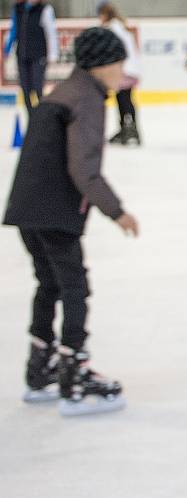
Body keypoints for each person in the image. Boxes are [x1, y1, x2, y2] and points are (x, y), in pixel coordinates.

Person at [3, 27, 139, 417]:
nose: (123, 72)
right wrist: (117, 211)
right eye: (119, 63)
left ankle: (39, 368)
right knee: (74, 287)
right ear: (101, 64)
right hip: (54, 211)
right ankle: (73, 374)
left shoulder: (63, 92)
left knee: (49, 285)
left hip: (27, 209)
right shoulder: (87, 99)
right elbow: (84, 169)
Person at [3, 0, 59, 116]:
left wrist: (53, 54)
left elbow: (51, 33)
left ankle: (42, 116)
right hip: (22, 55)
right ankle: (31, 116)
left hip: (38, 55)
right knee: (25, 88)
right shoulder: (18, 9)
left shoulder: (44, 9)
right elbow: (14, 30)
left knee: (37, 87)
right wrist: (6, 50)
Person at [98, 1, 142, 146]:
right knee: (123, 98)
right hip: (128, 68)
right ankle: (127, 128)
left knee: (124, 99)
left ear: (105, 15)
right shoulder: (118, 26)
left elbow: (115, 49)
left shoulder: (112, 28)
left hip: (124, 69)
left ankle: (129, 129)